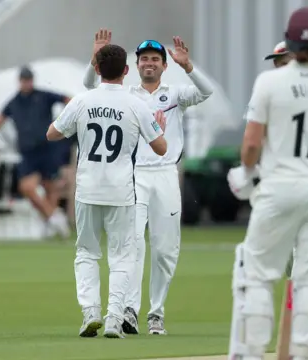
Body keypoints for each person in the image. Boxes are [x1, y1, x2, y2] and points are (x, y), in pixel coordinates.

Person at [225, 7, 308, 360]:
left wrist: (247, 174)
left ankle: (249, 353)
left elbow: (251, 144)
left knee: (255, 274)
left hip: (279, 187)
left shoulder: (270, 82)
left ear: (292, 43)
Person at [82, 29, 214, 335]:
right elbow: (89, 86)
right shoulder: (126, 95)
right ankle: (130, 310)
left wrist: (188, 66)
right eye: (144, 59)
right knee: (133, 245)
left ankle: (157, 313)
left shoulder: (176, 94)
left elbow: (206, 93)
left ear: (164, 65)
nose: (149, 64)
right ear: (136, 65)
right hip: (134, 175)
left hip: (166, 173)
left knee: (165, 249)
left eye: (155, 59)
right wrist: (95, 59)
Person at [46, 44, 168, 339]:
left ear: (97, 69)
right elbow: (161, 148)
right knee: (123, 255)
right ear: (127, 71)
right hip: (121, 191)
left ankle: (90, 312)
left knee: (87, 253)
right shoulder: (136, 104)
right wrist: (157, 127)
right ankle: (114, 317)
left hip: (87, 189)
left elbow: (52, 134)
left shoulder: (82, 100)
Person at [0, 66, 72, 237]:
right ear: (20, 81)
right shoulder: (14, 102)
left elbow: (68, 99)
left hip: (47, 148)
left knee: (50, 187)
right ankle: (53, 217)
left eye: (29, 80)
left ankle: (50, 224)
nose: (26, 83)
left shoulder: (44, 96)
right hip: (28, 152)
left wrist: (69, 120)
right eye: (24, 80)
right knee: (27, 187)